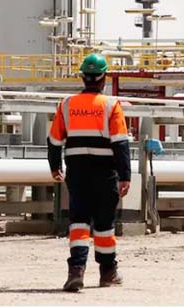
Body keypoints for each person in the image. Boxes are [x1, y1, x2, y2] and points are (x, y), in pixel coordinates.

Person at [48, 53, 131, 292]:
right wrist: (125, 176)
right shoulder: (111, 105)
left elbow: (54, 140)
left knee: (79, 222)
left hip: (77, 173)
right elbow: (120, 143)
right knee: (104, 225)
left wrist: (55, 166)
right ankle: (107, 272)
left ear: (83, 77)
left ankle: (76, 271)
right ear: (104, 78)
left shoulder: (67, 104)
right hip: (105, 173)